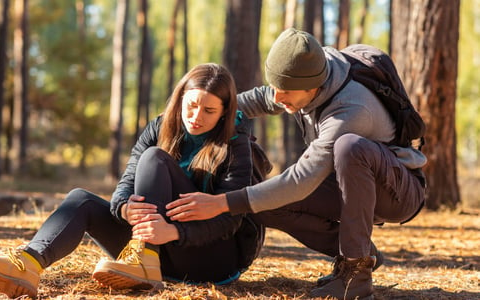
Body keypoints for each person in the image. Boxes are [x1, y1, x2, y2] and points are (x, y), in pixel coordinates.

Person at [0, 63, 264, 299]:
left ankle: (145, 257)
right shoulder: (159, 128)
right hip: (156, 252)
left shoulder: (235, 143)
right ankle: (27, 266)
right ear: (180, 99)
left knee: (155, 159)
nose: (196, 116)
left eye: (209, 110)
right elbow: (125, 187)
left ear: (225, 113)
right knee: (81, 199)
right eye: (191, 105)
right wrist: (125, 210)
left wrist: (174, 230)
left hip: (210, 257)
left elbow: (230, 220)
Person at [163, 29, 427, 300]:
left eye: (285, 91)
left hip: (396, 191)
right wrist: (204, 114)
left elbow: (301, 180)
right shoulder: (305, 72)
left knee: (350, 147)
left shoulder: (351, 110)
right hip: (348, 182)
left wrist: (220, 203)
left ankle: (356, 273)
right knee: (264, 205)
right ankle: (362, 251)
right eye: (276, 86)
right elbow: (260, 98)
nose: (277, 98)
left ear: (313, 87)